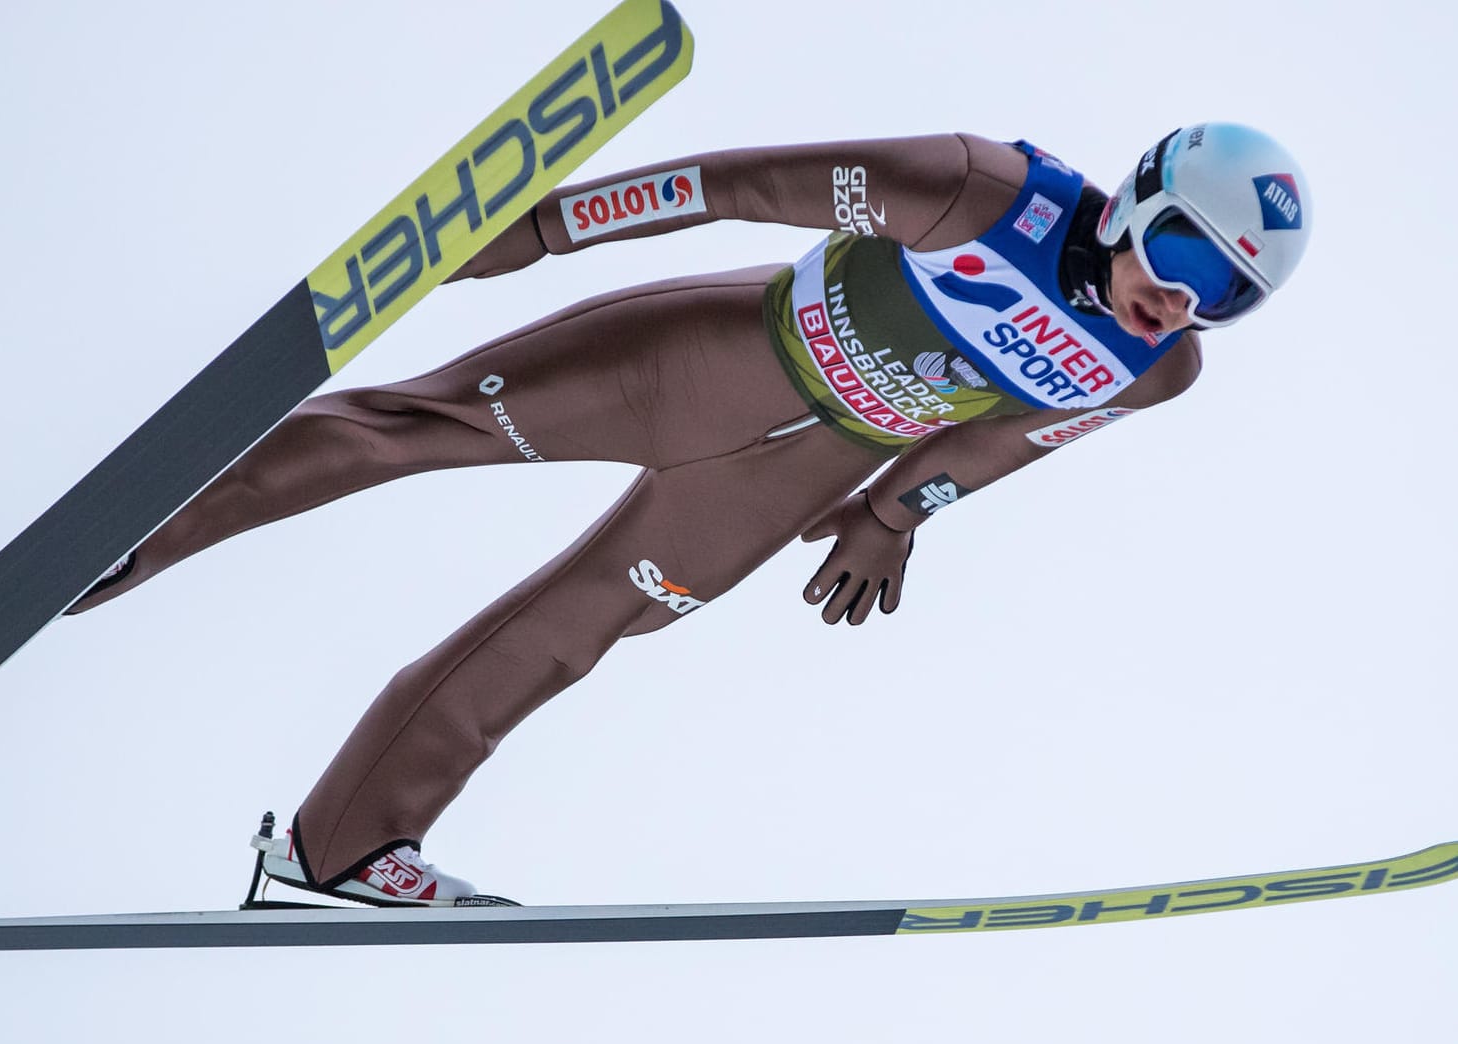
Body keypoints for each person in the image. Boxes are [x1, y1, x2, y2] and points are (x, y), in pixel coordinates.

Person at [72, 123, 1311, 905]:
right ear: (1142, 201)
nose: (1182, 307)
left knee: (567, 633)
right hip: (713, 359)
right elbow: (727, 185)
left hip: (789, 475)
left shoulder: (1153, 370)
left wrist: (897, 513)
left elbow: (1009, 441)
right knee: (418, 427)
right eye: (1189, 265)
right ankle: (134, 526)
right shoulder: (987, 194)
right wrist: (543, 228)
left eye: (1228, 300)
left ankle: (334, 849)